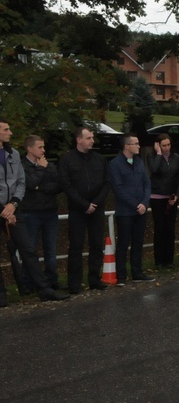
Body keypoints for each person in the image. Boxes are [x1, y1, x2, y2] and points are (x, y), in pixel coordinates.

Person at [0, 119, 69, 306]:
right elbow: (29, 183)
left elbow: (20, 182)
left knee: (29, 250)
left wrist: (13, 204)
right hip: (5, 209)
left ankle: (44, 289)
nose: (11, 132)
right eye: (6, 129)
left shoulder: (13, 154)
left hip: (14, 209)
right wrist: (4, 208)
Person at [58, 126, 110, 293]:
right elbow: (66, 185)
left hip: (97, 208)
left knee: (96, 244)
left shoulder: (100, 160)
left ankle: (95, 279)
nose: (92, 140)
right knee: (76, 246)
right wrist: (84, 204)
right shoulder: (67, 160)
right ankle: (74, 283)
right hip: (77, 209)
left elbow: (106, 183)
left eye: (92, 138)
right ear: (79, 139)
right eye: (88, 138)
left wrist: (95, 203)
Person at [18, 135, 62, 290]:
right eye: (40, 147)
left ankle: (51, 280)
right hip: (30, 213)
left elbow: (58, 185)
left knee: (51, 249)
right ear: (29, 149)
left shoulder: (49, 164)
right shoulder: (22, 166)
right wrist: (41, 169)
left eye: (44, 147)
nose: (43, 150)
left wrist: (41, 187)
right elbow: (29, 184)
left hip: (50, 211)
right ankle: (29, 283)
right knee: (30, 249)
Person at [109, 133, 153, 285]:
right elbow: (118, 189)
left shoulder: (139, 162)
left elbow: (147, 184)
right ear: (126, 146)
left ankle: (137, 272)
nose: (139, 146)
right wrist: (135, 205)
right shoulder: (115, 164)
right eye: (135, 143)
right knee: (123, 243)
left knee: (138, 242)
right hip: (125, 212)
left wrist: (144, 203)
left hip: (141, 209)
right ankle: (121, 275)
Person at [147, 133, 179, 270]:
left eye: (168, 145)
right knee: (160, 228)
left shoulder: (176, 158)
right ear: (157, 145)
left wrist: (178, 195)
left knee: (170, 229)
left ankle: (169, 260)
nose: (167, 148)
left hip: (171, 197)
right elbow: (154, 169)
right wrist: (158, 154)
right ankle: (159, 261)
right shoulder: (152, 157)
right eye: (163, 145)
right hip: (157, 197)